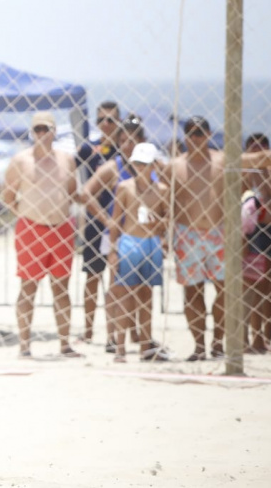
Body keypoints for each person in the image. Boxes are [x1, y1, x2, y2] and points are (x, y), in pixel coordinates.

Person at [157, 117, 271, 360]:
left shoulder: (223, 160)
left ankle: (218, 343)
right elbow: (166, 202)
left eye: (200, 132)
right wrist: (164, 235)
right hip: (186, 233)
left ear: (209, 134)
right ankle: (199, 347)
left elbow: (260, 158)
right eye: (191, 132)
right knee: (192, 293)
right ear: (186, 136)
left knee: (224, 291)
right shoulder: (174, 166)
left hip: (219, 233)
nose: (195, 137)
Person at [2, 111, 81, 358]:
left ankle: (65, 344)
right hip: (31, 228)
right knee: (28, 287)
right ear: (32, 132)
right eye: (37, 129)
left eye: (46, 129)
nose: (42, 134)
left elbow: (71, 192)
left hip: (61, 229)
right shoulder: (21, 160)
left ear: (55, 131)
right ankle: (24, 345)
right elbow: (7, 196)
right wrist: (26, 213)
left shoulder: (67, 159)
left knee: (61, 288)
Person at [82, 116, 147, 352]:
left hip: (145, 233)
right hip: (118, 235)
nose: (127, 144)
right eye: (123, 140)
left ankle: (139, 335)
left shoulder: (151, 167)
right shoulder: (113, 167)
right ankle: (113, 336)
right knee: (117, 287)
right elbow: (86, 193)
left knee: (142, 288)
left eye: (132, 139)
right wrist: (106, 220)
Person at [107, 143, 171, 363]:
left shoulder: (162, 190)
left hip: (151, 244)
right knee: (125, 296)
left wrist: (160, 223)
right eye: (137, 164)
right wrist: (112, 249)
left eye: (144, 164)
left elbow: (168, 219)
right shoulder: (125, 187)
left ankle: (145, 346)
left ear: (152, 165)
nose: (140, 168)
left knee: (146, 297)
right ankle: (120, 348)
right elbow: (116, 220)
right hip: (129, 242)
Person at [75, 101, 121, 344]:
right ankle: (88, 330)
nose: (107, 124)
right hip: (96, 222)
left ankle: (119, 333)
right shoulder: (89, 149)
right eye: (102, 119)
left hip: (123, 224)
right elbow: (69, 174)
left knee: (120, 281)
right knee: (92, 277)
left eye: (112, 119)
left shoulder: (127, 151)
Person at [242, 133, 271, 354]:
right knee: (251, 287)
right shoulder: (243, 174)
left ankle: (264, 336)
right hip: (252, 234)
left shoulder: (268, 174)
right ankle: (249, 338)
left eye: (260, 149)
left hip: (269, 231)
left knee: (269, 288)